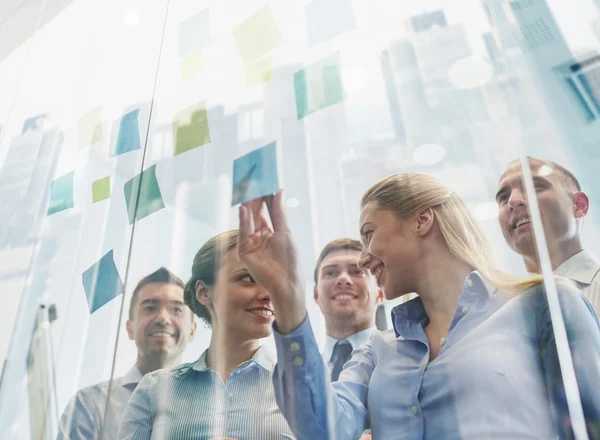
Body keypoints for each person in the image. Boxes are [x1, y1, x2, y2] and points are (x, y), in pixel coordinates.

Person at [237, 179, 600, 439]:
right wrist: (285, 294)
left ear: (422, 220)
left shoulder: (547, 303)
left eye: (368, 233)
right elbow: (322, 429)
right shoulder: (378, 351)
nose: (364, 258)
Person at [117, 230, 294, 440]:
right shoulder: (154, 389)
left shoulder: (301, 389)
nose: (267, 294)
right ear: (203, 292)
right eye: (247, 278)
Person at [57, 267, 196, 440]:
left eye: (177, 310)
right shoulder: (90, 405)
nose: (163, 318)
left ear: (192, 330)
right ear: (130, 328)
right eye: (150, 308)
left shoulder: (217, 405)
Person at [497, 157, 600, 314]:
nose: (513, 200)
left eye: (534, 187)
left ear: (579, 205)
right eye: (503, 198)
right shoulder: (502, 313)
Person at [313, 238, 383, 382]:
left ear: (380, 292)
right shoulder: (299, 377)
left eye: (357, 272)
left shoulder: (404, 361)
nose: (343, 279)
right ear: (316, 294)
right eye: (330, 273)